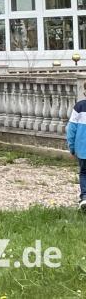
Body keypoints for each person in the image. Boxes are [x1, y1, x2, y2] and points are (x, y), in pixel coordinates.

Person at [67, 82, 86, 211]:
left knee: (84, 173)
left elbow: (71, 129)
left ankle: (85, 197)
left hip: (83, 149)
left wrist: (72, 147)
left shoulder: (79, 107)